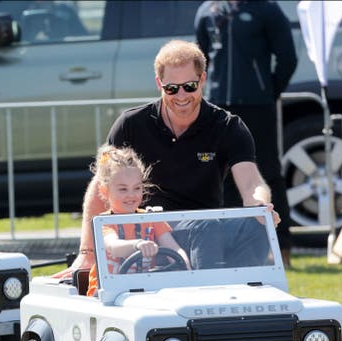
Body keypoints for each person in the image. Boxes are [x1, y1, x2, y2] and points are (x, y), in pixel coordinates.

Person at [56, 39, 279, 277]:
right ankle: (208, 294)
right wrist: (87, 254)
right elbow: (101, 184)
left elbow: (251, 182)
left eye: (190, 86)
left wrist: (259, 206)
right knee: (206, 227)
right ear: (159, 84)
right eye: (171, 88)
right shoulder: (132, 124)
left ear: (203, 79)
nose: (181, 95)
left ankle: (246, 289)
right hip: (149, 230)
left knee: (258, 224)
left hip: (206, 227)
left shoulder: (228, 126)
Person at [194, 0, 297, 267]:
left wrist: (265, 92)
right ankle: (229, 249)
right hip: (218, 104)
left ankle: (282, 249)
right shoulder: (207, 11)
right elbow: (199, 61)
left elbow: (288, 58)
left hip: (257, 105)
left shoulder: (267, 9)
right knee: (221, 174)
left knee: (268, 172)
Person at [85, 144, 190, 296]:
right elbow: (113, 246)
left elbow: (174, 248)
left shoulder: (150, 218)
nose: (131, 195)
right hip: (107, 293)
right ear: (104, 190)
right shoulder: (104, 222)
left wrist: (185, 268)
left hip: (145, 289)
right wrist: (138, 244)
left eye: (137, 188)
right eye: (123, 189)